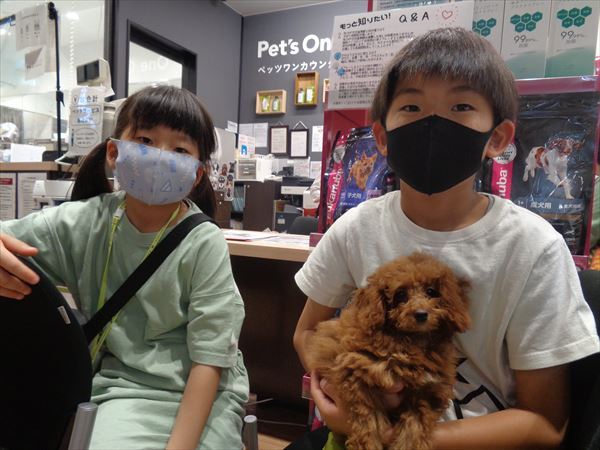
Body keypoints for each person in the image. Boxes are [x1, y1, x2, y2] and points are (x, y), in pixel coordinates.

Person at [292, 28, 599, 449]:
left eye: (461, 106)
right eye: (412, 106)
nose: (433, 124)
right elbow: (307, 333)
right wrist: (344, 401)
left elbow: (546, 424)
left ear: (498, 138)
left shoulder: (533, 248)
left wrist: (399, 437)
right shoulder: (356, 227)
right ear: (382, 137)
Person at [0, 85, 249, 450]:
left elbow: (209, 361)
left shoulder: (204, 242)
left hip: (205, 394)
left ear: (197, 174)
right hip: (122, 389)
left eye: (180, 149)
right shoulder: (87, 220)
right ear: (114, 152)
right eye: (145, 140)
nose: (160, 156)